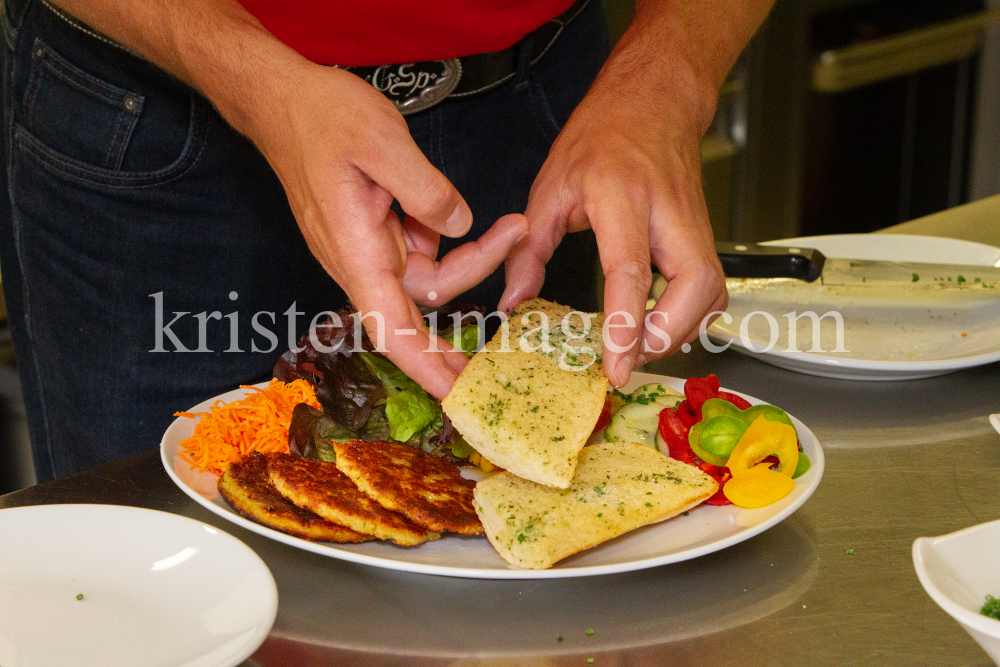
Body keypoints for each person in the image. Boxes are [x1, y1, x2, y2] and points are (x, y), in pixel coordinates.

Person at [0, 0, 773, 481]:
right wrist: (258, 85)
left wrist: (668, 75)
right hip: (164, 119)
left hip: (547, 115)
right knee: (153, 614)